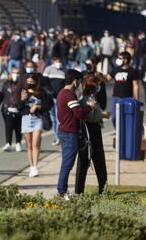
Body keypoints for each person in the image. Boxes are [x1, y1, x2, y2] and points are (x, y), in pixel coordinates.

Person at [56, 69, 94, 199]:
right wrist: (90, 107)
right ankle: (62, 191)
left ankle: (62, 190)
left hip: (65, 131)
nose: (79, 83)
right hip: (69, 133)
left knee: (66, 163)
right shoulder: (69, 94)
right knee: (67, 164)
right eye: (79, 81)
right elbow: (79, 113)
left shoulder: (62, 93)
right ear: (75, 81)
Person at [74, 73, 109, 195]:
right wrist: (102, 115)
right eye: (97, 85)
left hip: (94, 129)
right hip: (87, 130)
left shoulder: (92, 96)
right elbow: (90, 116)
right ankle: (79, 191)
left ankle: (103, 189)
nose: (99, 87)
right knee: (85, 161)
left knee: (98, 160)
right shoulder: (84, 97)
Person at [19, 74, 50, 177]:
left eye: (32, 82)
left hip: (38, 119)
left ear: (36, 82)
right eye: (28, 82)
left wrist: (37, 106)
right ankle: (31, 166)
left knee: (36, 143)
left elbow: (47, 106)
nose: (30, 84)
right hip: (26, 119)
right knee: (29, 145)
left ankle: (35, 167)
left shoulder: (41, 92)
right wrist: (22, 100)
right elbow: (19, 108)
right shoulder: (24, 92)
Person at [107, 51, 139, 127]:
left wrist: (136, 99)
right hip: (116, 97)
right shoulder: (116, 69)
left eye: (120, 58)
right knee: (114, 117)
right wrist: (100, 76)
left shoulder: (133, 71)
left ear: (125, 60)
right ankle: (118, 130)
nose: (118, 60)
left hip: (127, 98)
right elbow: (108, 78)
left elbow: (136, 85)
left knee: (127, 117)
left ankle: (124, 132)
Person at [43, 56, 65, 145]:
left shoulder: (63, 71)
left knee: (58, 118)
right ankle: (56, 136)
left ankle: (58, 138)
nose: (58, 62)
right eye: (56, 61)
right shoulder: (48, 69)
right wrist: (49, 92)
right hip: (50, 99)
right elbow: (44, 83)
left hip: (59, 99)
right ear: (53, 61)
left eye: (59, 61)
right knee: (53, 119)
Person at [0, 67, 22, 152]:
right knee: (8, 127)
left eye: (17, 73)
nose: (15, 75)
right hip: (8, 109)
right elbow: (2, 95)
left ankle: (18, 143)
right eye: (13, 73)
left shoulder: (22, 84)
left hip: (19, 109)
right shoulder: (6, 84)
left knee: (18, 128)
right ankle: (8, 143)